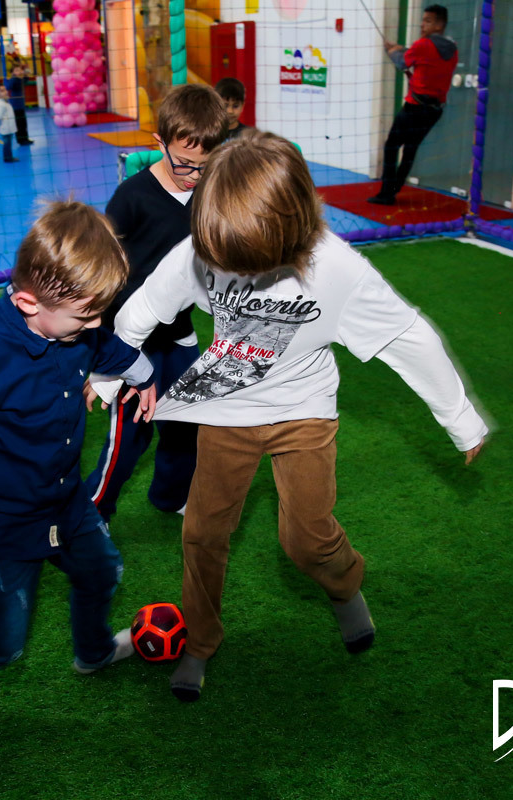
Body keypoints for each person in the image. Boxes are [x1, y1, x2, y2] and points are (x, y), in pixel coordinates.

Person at [110, 131, 489, 702]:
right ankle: (200, 641)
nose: (224, 266)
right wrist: (111, 371)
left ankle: (345, 589)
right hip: (226, 406)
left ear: (288, 232)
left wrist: (460, 418)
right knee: (203, 531)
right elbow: (144, 306)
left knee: (307, 540)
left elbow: (408, 338)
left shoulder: (337, 268)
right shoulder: (200, 246)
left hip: (304, 410)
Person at [0, 201, 160, 772]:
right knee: (3, 641)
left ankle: (93, 653)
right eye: (84, 317)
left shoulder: (76, 327)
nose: (95, 326)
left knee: (102, 573)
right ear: (27, 303)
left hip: (65, 500)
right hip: (2, 520)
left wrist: (141, 372)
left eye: (101, 313)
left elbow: (103, 345)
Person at [83, 84, 228, 524]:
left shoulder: (210, 194)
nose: (193, 175)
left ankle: (171, 495)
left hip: (179, 334)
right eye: (184, 163)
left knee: (187, 423)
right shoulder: (132, 198)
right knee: (129, 437)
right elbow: (100, 265)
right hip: (130, 339)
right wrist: (101, 348)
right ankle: (93, 514)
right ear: (159, 143)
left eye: (205, 166)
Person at [369, 4, 458, 205]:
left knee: (392, 146)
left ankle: (386, 194)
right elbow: (424, 57)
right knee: (410, 149)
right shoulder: (452, 49)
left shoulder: (423, 45)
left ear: (439, 25)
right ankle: (394, 189)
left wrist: (392, 51)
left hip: (414, 108)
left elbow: (402, 62)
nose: (422, 24)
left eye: (428, 21)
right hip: (434, 111)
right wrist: (400, 48)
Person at [5, 64, 34, 146]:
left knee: (23, 123)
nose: (19, 71)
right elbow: (9, 87)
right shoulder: (14, 80)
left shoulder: (19, 79)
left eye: (19, 70)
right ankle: (21, 140)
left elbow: (25, 80)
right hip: (16, 106)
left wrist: (26, 73)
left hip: (20, 105)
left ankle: (25, 138)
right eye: (16, 70)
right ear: (13, 73)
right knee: (19, 124)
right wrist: (13, 77)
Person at [214, 77, 247, 141]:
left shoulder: (248, 135)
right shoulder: (208, 133)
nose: (230, 111)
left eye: (235, 106)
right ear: (216, 105)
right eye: (225, 106)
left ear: (242, 106)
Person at [0, 84, 19, 163]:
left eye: (5, 90)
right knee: (7, 144)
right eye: (2, 91)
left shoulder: (4, 101)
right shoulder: (0, 104)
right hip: (6, 128)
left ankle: (9, 156)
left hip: (9, 127)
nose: (6, 92)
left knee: (8, 143)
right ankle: (7, 158)